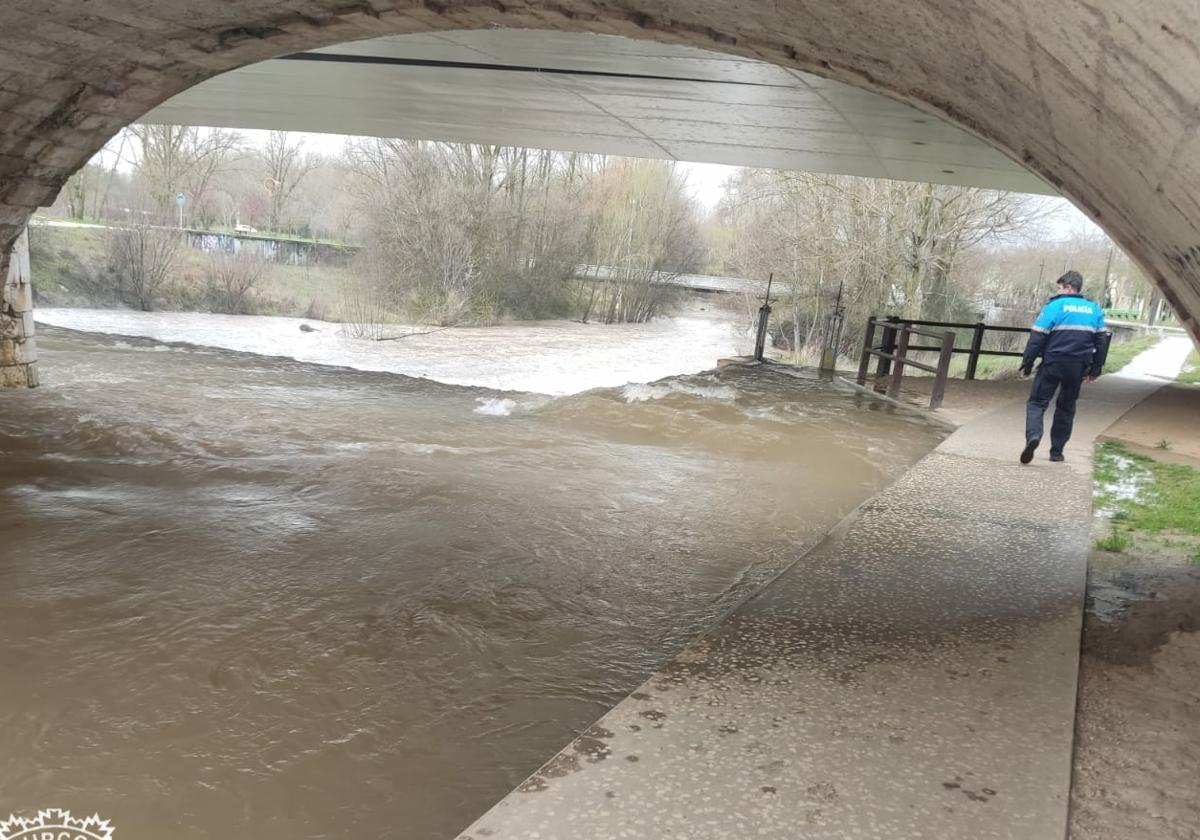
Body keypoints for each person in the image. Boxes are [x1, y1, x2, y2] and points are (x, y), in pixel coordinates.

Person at [1018, 270, 1110, 464]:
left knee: (1037, 403)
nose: (1057, 291)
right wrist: (1096, 369)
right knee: (1066, 408)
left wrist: (1028, 362)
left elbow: (1038, 337)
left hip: (1053, 362)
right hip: (1078, 366)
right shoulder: (1094, 309)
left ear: (1068, 287)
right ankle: (1057, 452)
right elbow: (1102, 341)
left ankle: (1034, 436)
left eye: (1059, 287)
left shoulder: (1055, 306)